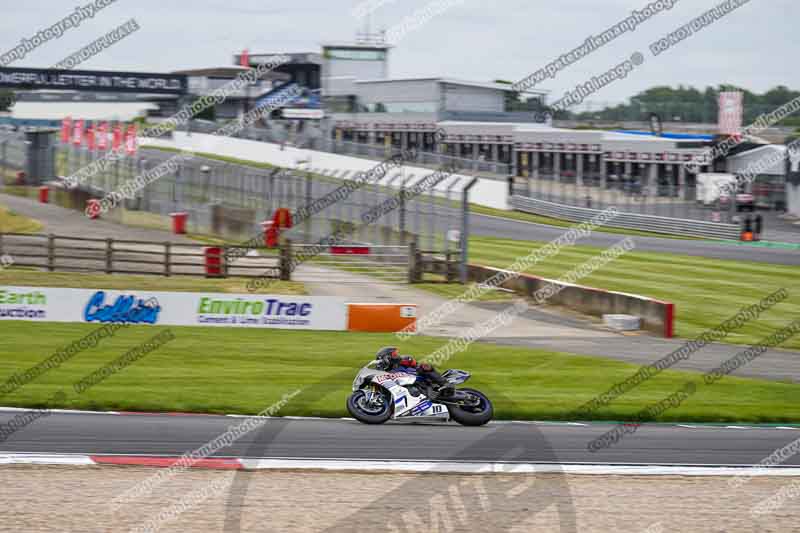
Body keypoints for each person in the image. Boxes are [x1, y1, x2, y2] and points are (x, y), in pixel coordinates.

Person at [375, 347, 453, 398]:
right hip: (402, 387)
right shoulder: (383, 371)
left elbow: (415, 363)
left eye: (395, 354)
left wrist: (415, 365)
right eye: (394, 354)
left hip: (416, 377)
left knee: (424, 366)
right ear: (386, 357)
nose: (396, 356)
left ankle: (445, 383)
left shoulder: (402, 360)